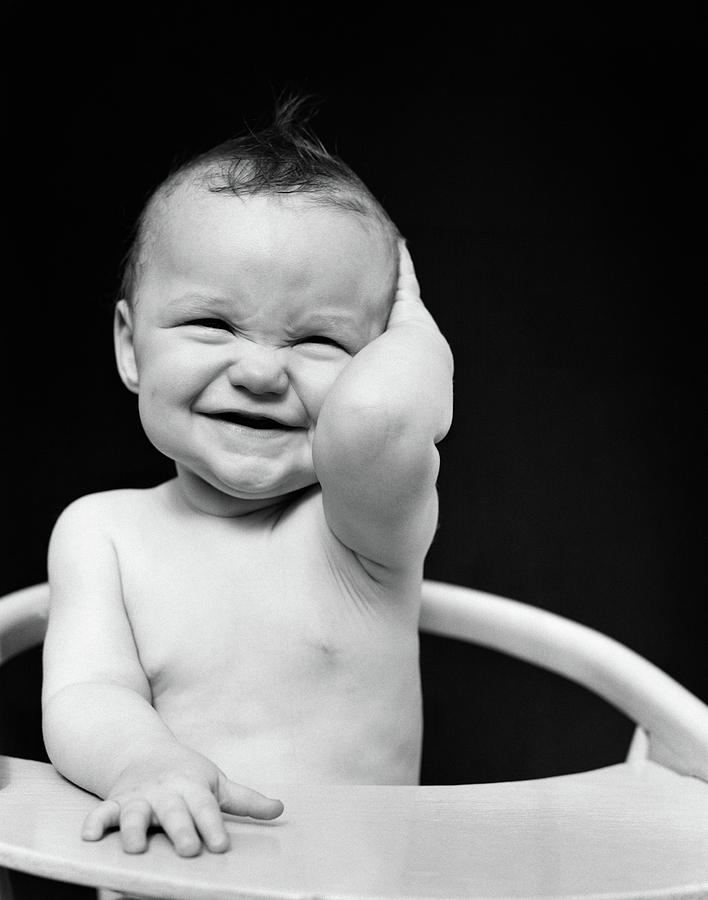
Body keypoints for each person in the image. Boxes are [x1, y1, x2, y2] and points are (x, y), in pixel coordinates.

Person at [41, 98, 454, 858]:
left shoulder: (359, 527)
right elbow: (85, 693)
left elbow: (379, 424)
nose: (262, 371)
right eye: (214, 325)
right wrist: (146, 763)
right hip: (172, 880)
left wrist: (415, 325)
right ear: (132, 347)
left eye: (322, 339)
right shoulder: (102, 532)